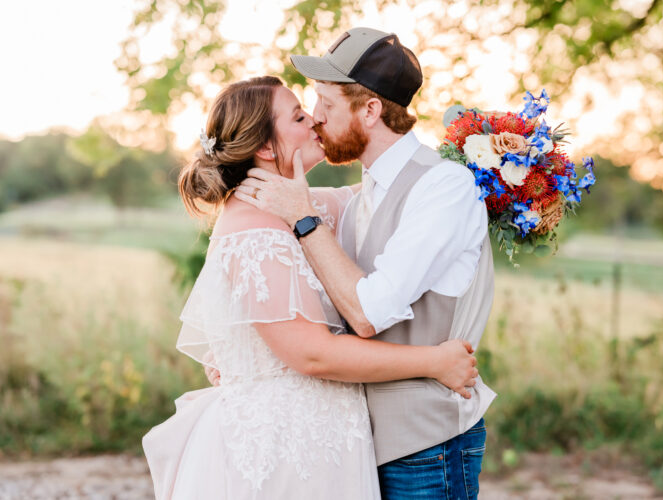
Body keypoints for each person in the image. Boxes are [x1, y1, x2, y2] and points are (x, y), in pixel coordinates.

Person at [141, 75, 479, 500]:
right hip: (289, 448)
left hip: (326, 439)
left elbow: (387, 189)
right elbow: (313, 354)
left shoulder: (297, 204)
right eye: (300, 115)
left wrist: (484, 161)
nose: (315, 121)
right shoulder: (253, 228)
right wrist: (433, 362)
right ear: (266, 148)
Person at [234, 28, 496, 499]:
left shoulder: (444, 188)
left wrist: (302, 216)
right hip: (358, 448)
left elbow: (369, 313)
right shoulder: (359, 199)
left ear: (370, 110)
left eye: (326, 105)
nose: (315, 119)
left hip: (427, 447)